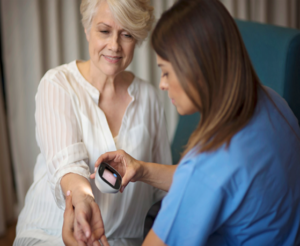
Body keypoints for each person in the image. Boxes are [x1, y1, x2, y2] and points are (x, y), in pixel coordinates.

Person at [61, 0, 300, 245]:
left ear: (196, 68)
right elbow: (216, 182)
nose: (162, 84)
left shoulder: (208, 161)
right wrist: (141, 169)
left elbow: (203, 177)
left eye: (166, 72)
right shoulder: (273, 102)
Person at [13, 0, 172, 245]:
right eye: (104, 31)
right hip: (51, 234)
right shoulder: (57, 84)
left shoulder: (150, 98)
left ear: (137, 38)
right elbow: (68, 167)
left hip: (125, 240)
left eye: (126, 34)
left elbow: (161, 185)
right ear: (87, 29)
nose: (114, 45)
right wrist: (83, 199)